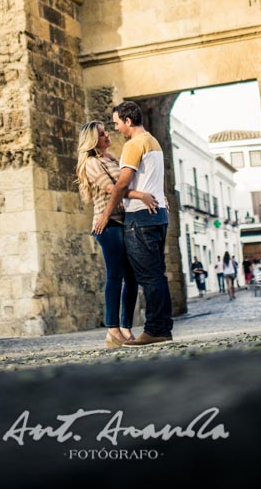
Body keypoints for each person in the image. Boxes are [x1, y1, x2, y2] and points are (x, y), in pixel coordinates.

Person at [94, 100, 174, 346]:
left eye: (117, 123)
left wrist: (106, 215)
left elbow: (121, 184)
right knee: (157, 275)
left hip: (140, 218)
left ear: (128, 121)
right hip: (158, 215)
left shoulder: (133, 144)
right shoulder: (153, 141)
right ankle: (162, 327)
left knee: (149, 277)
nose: (116, 128)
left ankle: (155, 330)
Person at [76, 120, 158, 349]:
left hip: (122, 222)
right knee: (115, 276)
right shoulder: (92, 163)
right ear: (93, 140)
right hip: (107, 224)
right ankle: (112, 329)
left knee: (131, 277)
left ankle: (125, 328)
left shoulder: (111, 158)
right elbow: (113, 189)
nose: (106, 135)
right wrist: (141, 195)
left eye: (105, 132)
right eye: (101, 134)